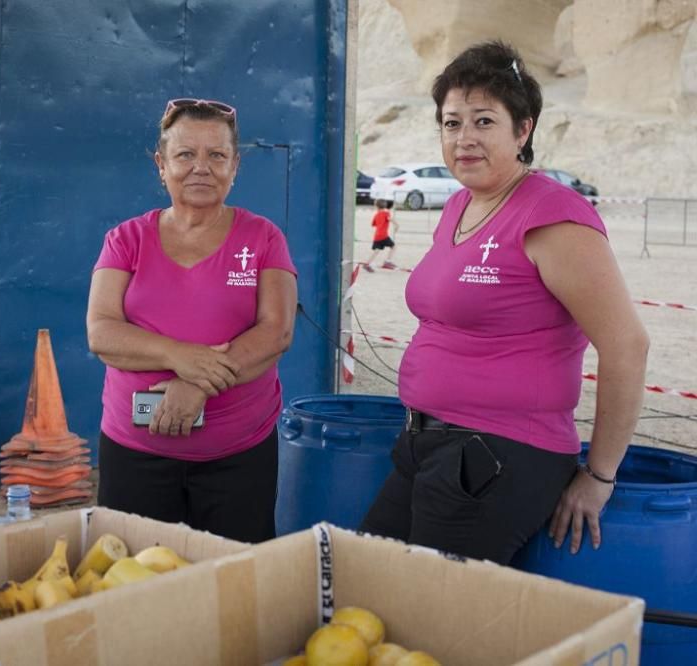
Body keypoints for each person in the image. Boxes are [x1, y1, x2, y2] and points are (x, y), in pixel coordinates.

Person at [360, 41, 648, 565]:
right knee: (362, 582)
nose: (464, 138)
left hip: (499, 455)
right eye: (451, 123)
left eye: (484, 121)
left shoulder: (553, 216)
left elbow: (627, 345)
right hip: (427, 443)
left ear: (523, 130)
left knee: (431, 620)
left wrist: (600, 475)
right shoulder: (458, 205)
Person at [86, 98, 298, 543]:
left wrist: (197, 385)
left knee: (234, 585)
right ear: (161, 165)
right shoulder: (126, 239)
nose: (201, 167)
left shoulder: (263, 238)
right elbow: (102, 332)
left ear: (235, 165)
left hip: (238, 456)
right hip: (135, 453)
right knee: (134, 581)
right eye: (185, 155)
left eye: (216, 155)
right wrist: (180, 357)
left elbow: (276, 331)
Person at [362, 199, 398, 272]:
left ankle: (367, 264)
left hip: (377, 236)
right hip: (383, 236)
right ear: (385, 206)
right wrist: (396, 225)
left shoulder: (376, 214)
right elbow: (390, 219)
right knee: (393, 247)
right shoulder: (386, 213)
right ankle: (387, 262)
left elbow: (373, 224)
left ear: (376, 206)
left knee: (377, 250)